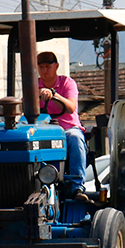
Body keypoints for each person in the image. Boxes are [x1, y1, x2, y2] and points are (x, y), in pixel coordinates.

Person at [36, 50, 88, 202]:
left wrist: (54, 95)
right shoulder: (34, 85)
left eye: (48, 67)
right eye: (41, 68)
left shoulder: (67, 83)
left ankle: (77, 187)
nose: (45, 71)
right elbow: (24, 105)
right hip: (43, 130)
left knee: (75, 138)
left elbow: (71, 107)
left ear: (56, 66)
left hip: (67, 129)